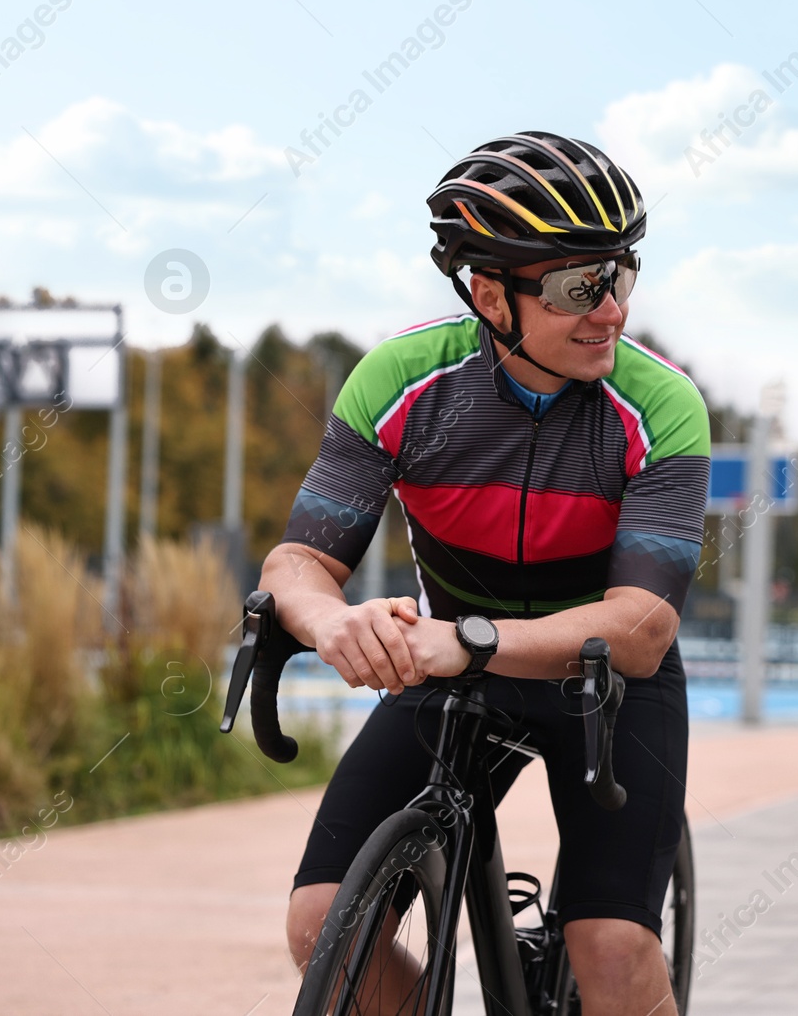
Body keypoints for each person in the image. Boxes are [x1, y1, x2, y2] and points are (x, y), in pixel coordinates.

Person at [259, 131, 710, 1015]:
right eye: (581, 287)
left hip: (602, 673)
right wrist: (330, 622)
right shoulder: (402, 380)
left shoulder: (660, 403)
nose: (611, 311)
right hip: (457, 661)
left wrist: (469, 640)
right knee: (322, 925)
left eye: (620, 276)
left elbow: (644, 628)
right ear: (488, 293)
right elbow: (298, 563)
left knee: (612, 949)